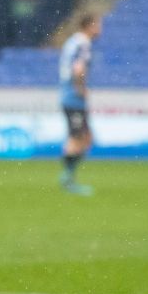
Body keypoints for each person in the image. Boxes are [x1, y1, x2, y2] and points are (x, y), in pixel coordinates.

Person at [58, 13, 102, 196]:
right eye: (98, 24)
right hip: (73, 98)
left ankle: (68, 176)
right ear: (89, 26)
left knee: (85, 137)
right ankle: (67, 179)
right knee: (77, 139)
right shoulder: (83, 44)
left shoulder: (72, 42)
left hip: (70, 97)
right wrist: (80, 88)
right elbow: (78, 69)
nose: (100, 29)